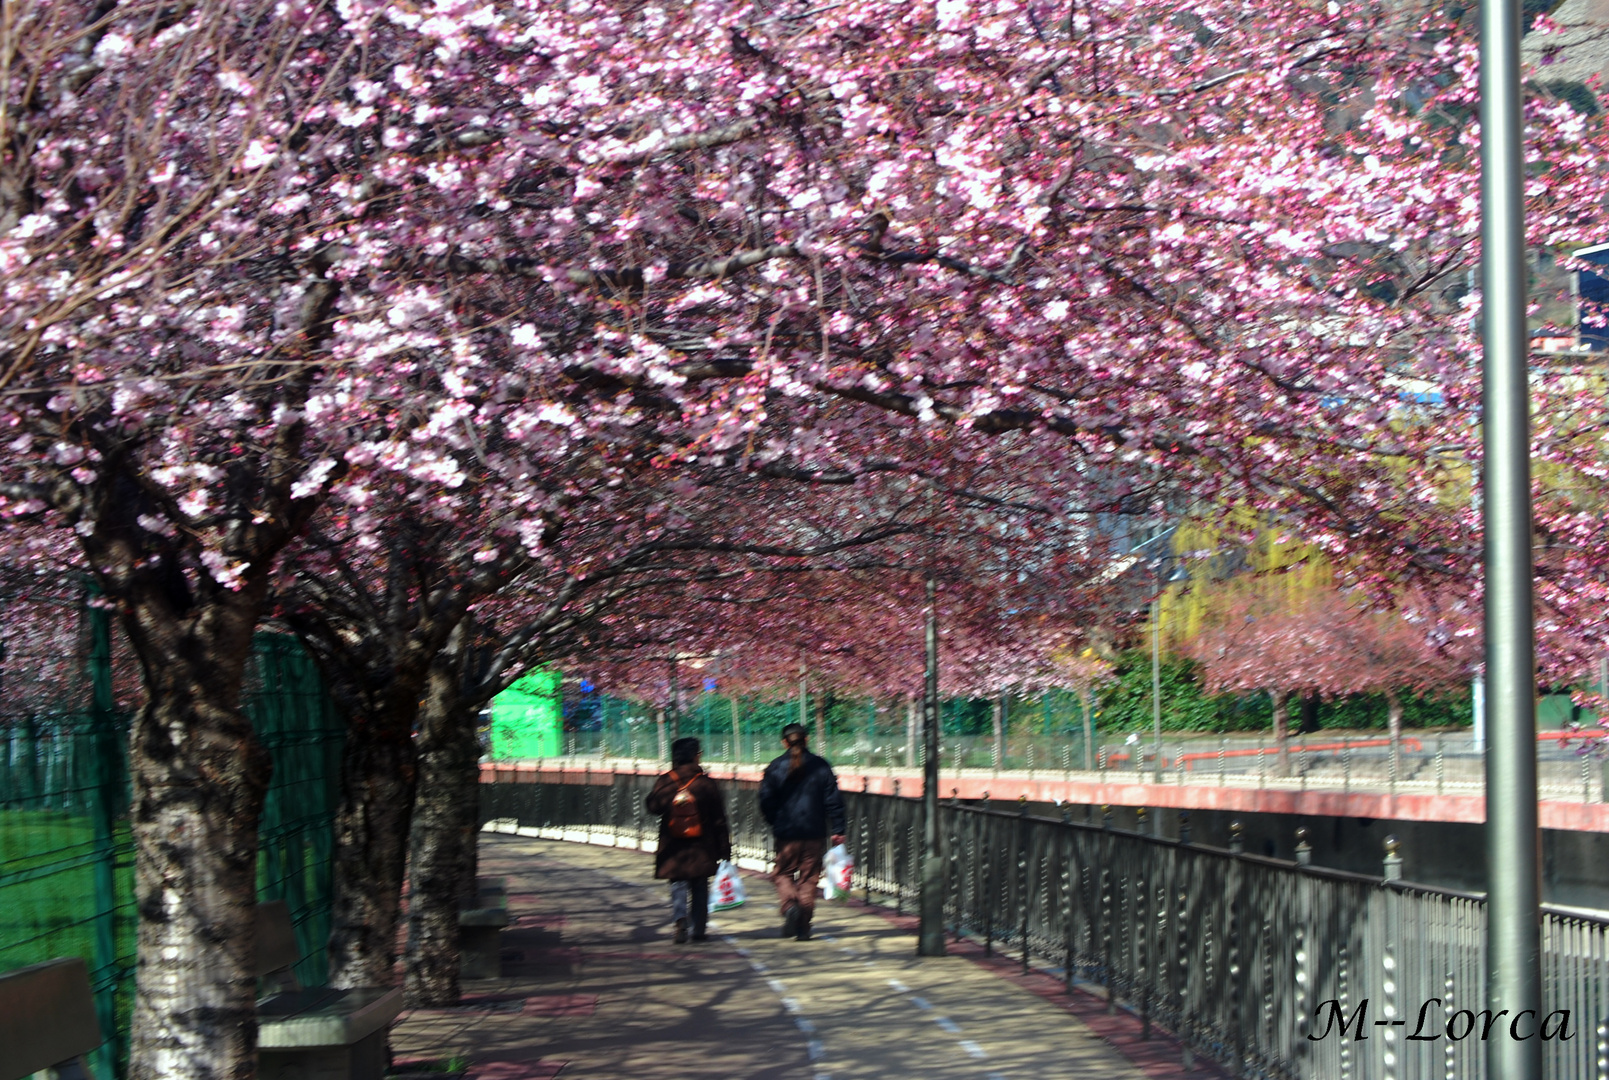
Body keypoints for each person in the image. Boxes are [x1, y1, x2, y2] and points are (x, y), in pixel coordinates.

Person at [758, 722, 846, 941]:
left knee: (782, 873)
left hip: (786, 833)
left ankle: (789, 907)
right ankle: (803, 928)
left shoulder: (775, 767)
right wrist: (838, 828)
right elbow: (833, 800)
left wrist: (775, 821)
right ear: (807, 740)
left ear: (783, 742)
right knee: (808, 879)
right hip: (814, 832)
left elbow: (765, 800)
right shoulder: (821, 766)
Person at [645, 737, 730, 944]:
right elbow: (719, 818)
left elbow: (653, 808)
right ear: (695, 756)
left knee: (678, 885)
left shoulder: (666, 781)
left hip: (673, 845)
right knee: (700, 885)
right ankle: (699, 929)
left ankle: (680, 921)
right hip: (702, 846)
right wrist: (724, 849)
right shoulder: (706, 783)